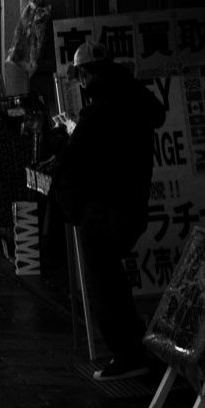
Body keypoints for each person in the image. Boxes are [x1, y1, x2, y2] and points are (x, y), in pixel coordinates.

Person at [51, 40, 166, 380]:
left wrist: (57, 136)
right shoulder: (137, 100)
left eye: (80, 76)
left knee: (105, 286)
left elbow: (73, 156)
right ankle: (135, 346)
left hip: (103, 210)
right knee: (114, 281)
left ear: (85, 75)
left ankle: (127, 355)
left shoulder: (99, 110)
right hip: (132, 206)